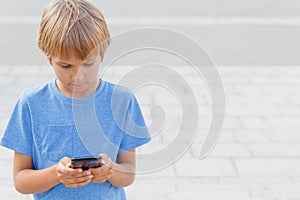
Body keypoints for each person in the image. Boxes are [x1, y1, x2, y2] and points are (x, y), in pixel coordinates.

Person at [0, 0, 151, 199]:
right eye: (65, 66)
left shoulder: (122, 102)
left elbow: (128, 173)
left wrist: (110, 170)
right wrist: (56, 174)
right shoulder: (31, 105)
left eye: (88, 64)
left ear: (102, 55)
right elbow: (21, 180)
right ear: (49, 58)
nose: (77, 77)